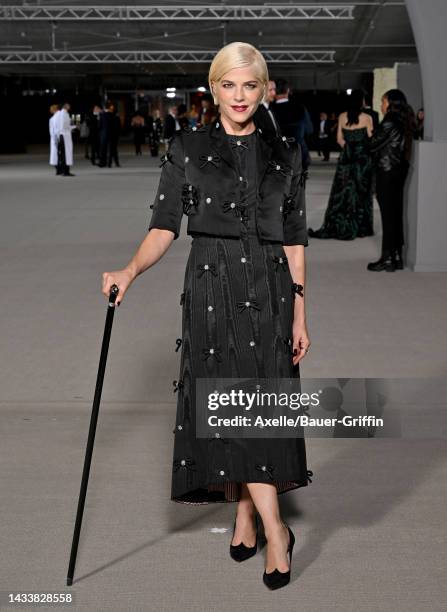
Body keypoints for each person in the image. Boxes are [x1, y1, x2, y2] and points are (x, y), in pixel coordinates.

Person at [101, 41, 312, 591]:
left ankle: (267, 526)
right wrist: (129, 271)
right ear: (213, 89)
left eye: (250, 85)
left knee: (255, 407)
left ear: (265, 89)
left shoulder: (286, 153)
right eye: (228, 84)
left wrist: (300, 316)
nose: (239, 96)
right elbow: (164, 227)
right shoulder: (187, 148)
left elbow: (293, 242)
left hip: (268, 289)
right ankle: (263, 522)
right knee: (229, 402)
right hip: (212, 285)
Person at [308, 89, 374, 240]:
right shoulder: (367, 118)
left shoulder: (342, 116)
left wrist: (349, 148)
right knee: (360, 191)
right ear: (361, 102)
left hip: (346, 158)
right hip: (361, 159)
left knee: (342, 192)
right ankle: (360, 226)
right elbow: (371, 138)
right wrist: (360, 149)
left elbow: (339, 139)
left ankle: (339, 223)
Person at [367, 89, 415, 271]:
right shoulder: (404, 121)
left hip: (386, 173)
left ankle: (387, 258)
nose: (381, 105)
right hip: (399, 171)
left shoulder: (389, 121)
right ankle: (396, 257)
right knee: (395, 216)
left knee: (388, 218)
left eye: (383, 101)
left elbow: (372, 145)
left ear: (391, 103)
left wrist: (370, 134)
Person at [272, 78, 313, 169]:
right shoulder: (300, 109)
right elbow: (309, 130)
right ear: (288, 90)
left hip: (276, 155)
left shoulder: (269, 111)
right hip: (298, 154)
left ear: (273, 91)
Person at [54, 102, 75, 177]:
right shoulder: (64, 114)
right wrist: (74, 126)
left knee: (64, 154)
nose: (69, 106)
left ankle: (65, 171)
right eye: (68, 105)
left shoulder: (62, 114)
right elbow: (64, 126)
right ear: (65, 106)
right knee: (66, 154)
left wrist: (71, 126)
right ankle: (66, 171)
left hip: (63, 135)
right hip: (64, 136)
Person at [48, 104, 61, 175]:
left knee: (56, 154)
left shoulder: (52, 118)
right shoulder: (53, 118)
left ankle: (58, 169)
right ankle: (58, 169)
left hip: (55, 137)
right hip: (56, 137)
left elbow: (51, 130)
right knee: (57, 154)